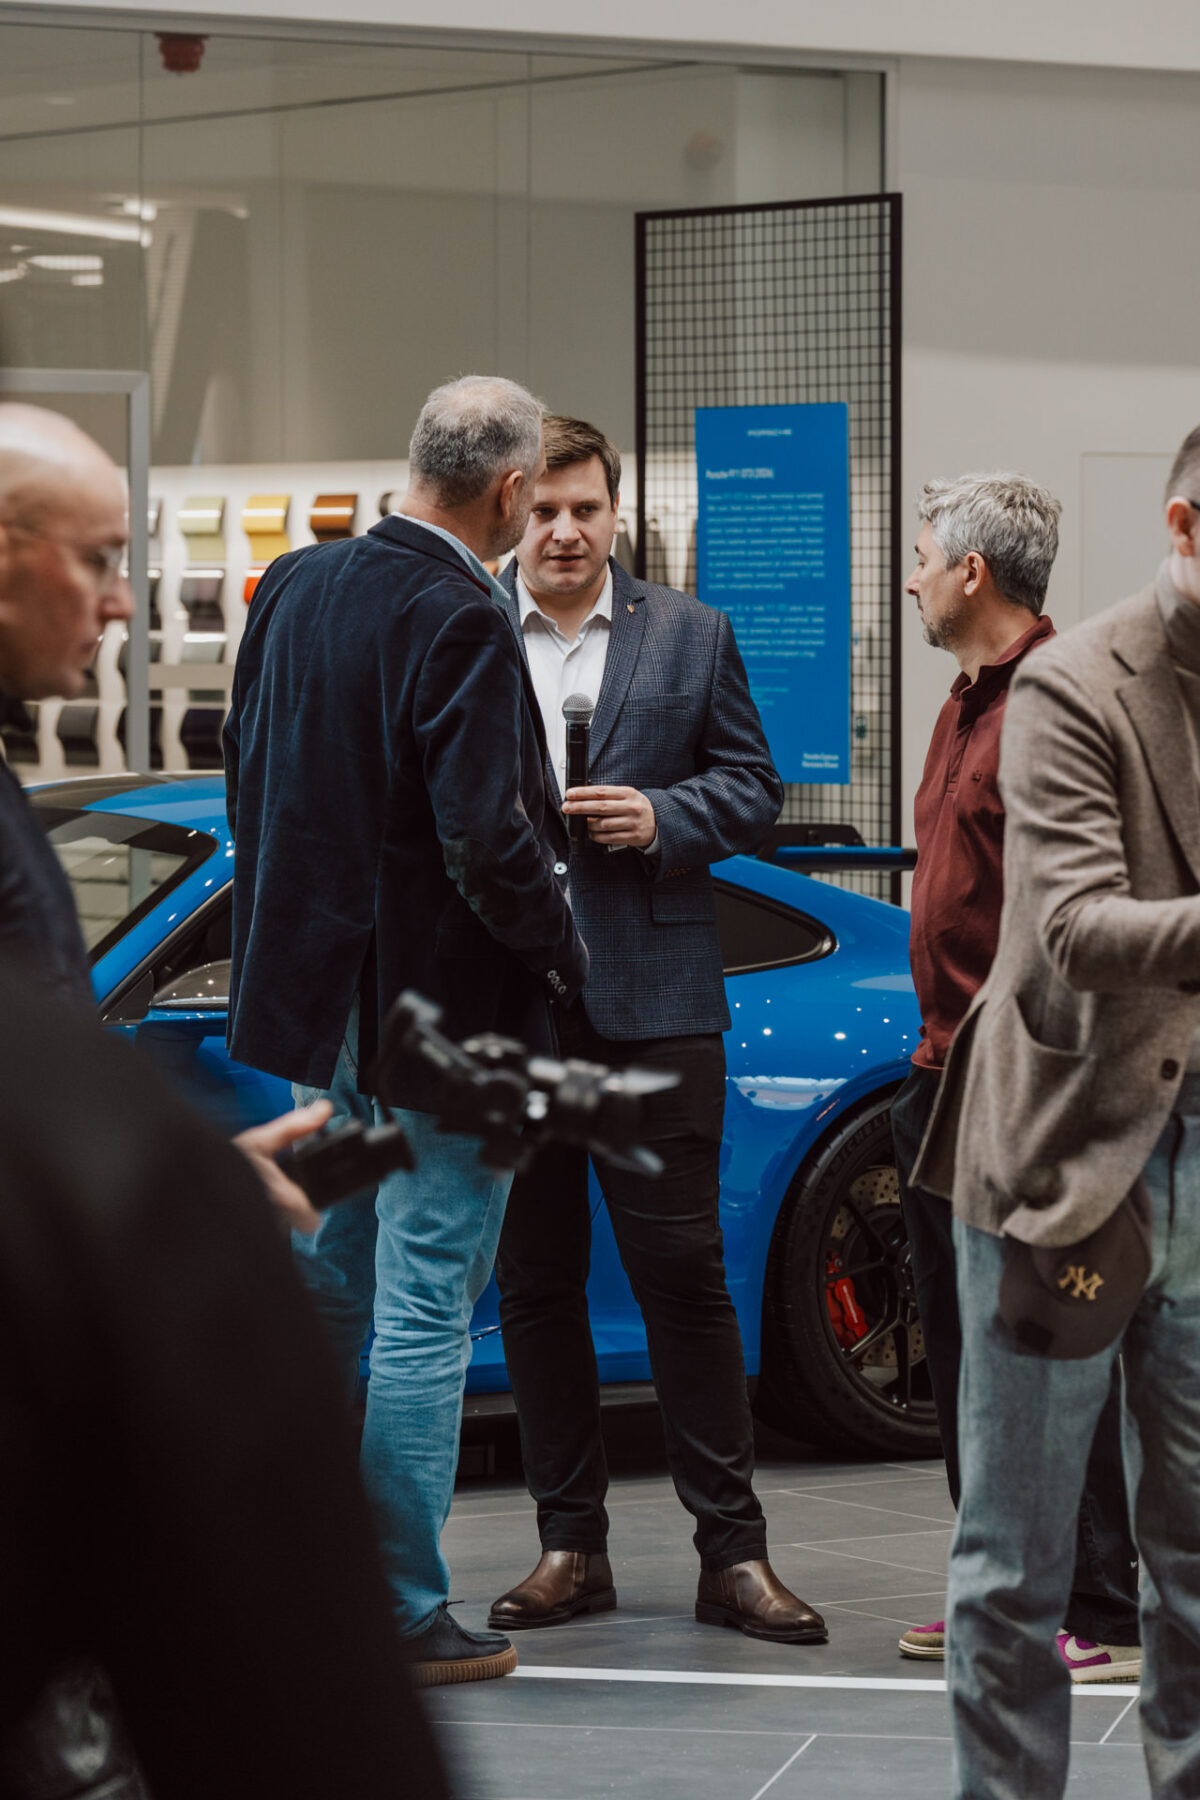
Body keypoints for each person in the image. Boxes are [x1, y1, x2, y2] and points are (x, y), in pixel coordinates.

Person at [225, 375, 588, 1686]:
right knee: (430, 1309)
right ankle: (392, 1611)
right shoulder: (460, 614)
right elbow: (488, 841)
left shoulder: (297, 588)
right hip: (443, 1030)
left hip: (315, 1005)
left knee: (327, 1294)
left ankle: (301, 1582)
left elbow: (247, 783)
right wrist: (564, 953)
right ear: (505, 494)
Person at [487, 415, 825, 1645]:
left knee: (684, 1282)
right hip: (512, 1015)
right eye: (544, 512)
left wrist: (663, 816)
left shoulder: (693, 635)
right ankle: (569, 1547)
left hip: (658, 1007)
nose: (565, 532)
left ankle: (734, 1557)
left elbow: (754, 788)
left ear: (615, 513)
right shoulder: (467, 629)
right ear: (512, 510)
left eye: (586, 509)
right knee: (535, 1283)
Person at [912, 425, 1200, 1798]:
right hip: (1065, 1161)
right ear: (1187, 529)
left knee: (1195, 1565)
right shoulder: (1074, 683)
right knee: (1015, 1569)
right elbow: (1079, 927)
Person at [0, 959, 450, 1800]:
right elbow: (304, 1740)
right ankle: (413, 1601)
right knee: (426, 1296)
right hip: (440, 1022)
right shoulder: (69, 1123)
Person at [892, 473, 1140, 1679]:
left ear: (975, 574)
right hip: (939, 1074)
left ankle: (1093, 1600)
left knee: (1049, 1347)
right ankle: (998, 1580)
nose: (912, 573)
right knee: (966, 1355)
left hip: (1031, 1085)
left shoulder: (1061, 701)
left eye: (926, 553)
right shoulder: (958, 706)